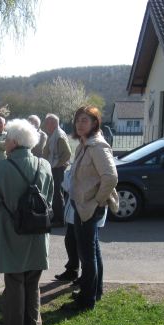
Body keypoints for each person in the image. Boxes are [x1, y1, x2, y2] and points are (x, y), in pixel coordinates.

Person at [0, 119, 53, 325]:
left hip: (12, 231)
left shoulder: (1, 168)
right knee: (33, 282)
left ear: (14, 141)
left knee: (14, 281)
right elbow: (50, 200)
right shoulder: (44, 165)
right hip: (38, 233)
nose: (5, 142)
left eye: (7, 138)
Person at [66, 106, 118, 311]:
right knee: (92, 251)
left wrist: (97, 201)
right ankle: (95, 292)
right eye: (78, 120)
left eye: (85, 120)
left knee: (87, 255)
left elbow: (111, 177)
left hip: (89, 208)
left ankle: (86, 299)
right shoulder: (84, 144)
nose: (80, 124)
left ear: (95, 123)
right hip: (81, 206)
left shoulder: (97, 147)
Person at [43, 113, 71, 225]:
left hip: (56, 169)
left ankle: (59, 220)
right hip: (54, 167)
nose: (45, 125)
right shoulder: (54, 134)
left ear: (53, 124)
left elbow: (67, 154)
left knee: (56, 194)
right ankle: (58, 217)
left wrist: (58, 165)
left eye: (47, 123)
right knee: (56, 193)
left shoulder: (59, 135)